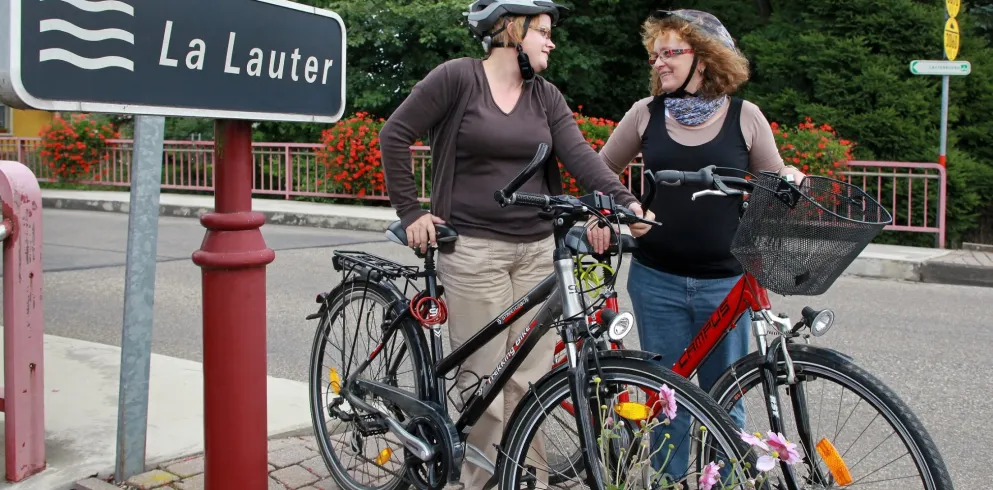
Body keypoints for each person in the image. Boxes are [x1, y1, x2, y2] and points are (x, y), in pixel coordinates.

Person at [379, 1, 654, 487]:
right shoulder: (456, 78)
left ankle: (528, 480)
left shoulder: (545, 96)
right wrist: (412, 211)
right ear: (509, 29)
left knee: (528, 382)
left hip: (534, 252)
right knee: (481, 383)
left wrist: (625, 205)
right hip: (473, 249)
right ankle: (478, 482)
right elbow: (395, 133)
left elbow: (582, 157)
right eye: (542, 31)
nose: (551, 41)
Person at [587, 8, 806, 481]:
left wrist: (790, 178)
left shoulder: (746, 117)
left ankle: (724, 484)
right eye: (655, 53)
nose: (659, 62)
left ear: (703, 59)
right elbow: (600, 173)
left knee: (726, 404)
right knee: (668, 406)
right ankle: (668, 484)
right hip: (656, 281)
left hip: (726, 284)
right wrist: (609, 211)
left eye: (670, 52)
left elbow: (774, 180)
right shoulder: (645, 114)